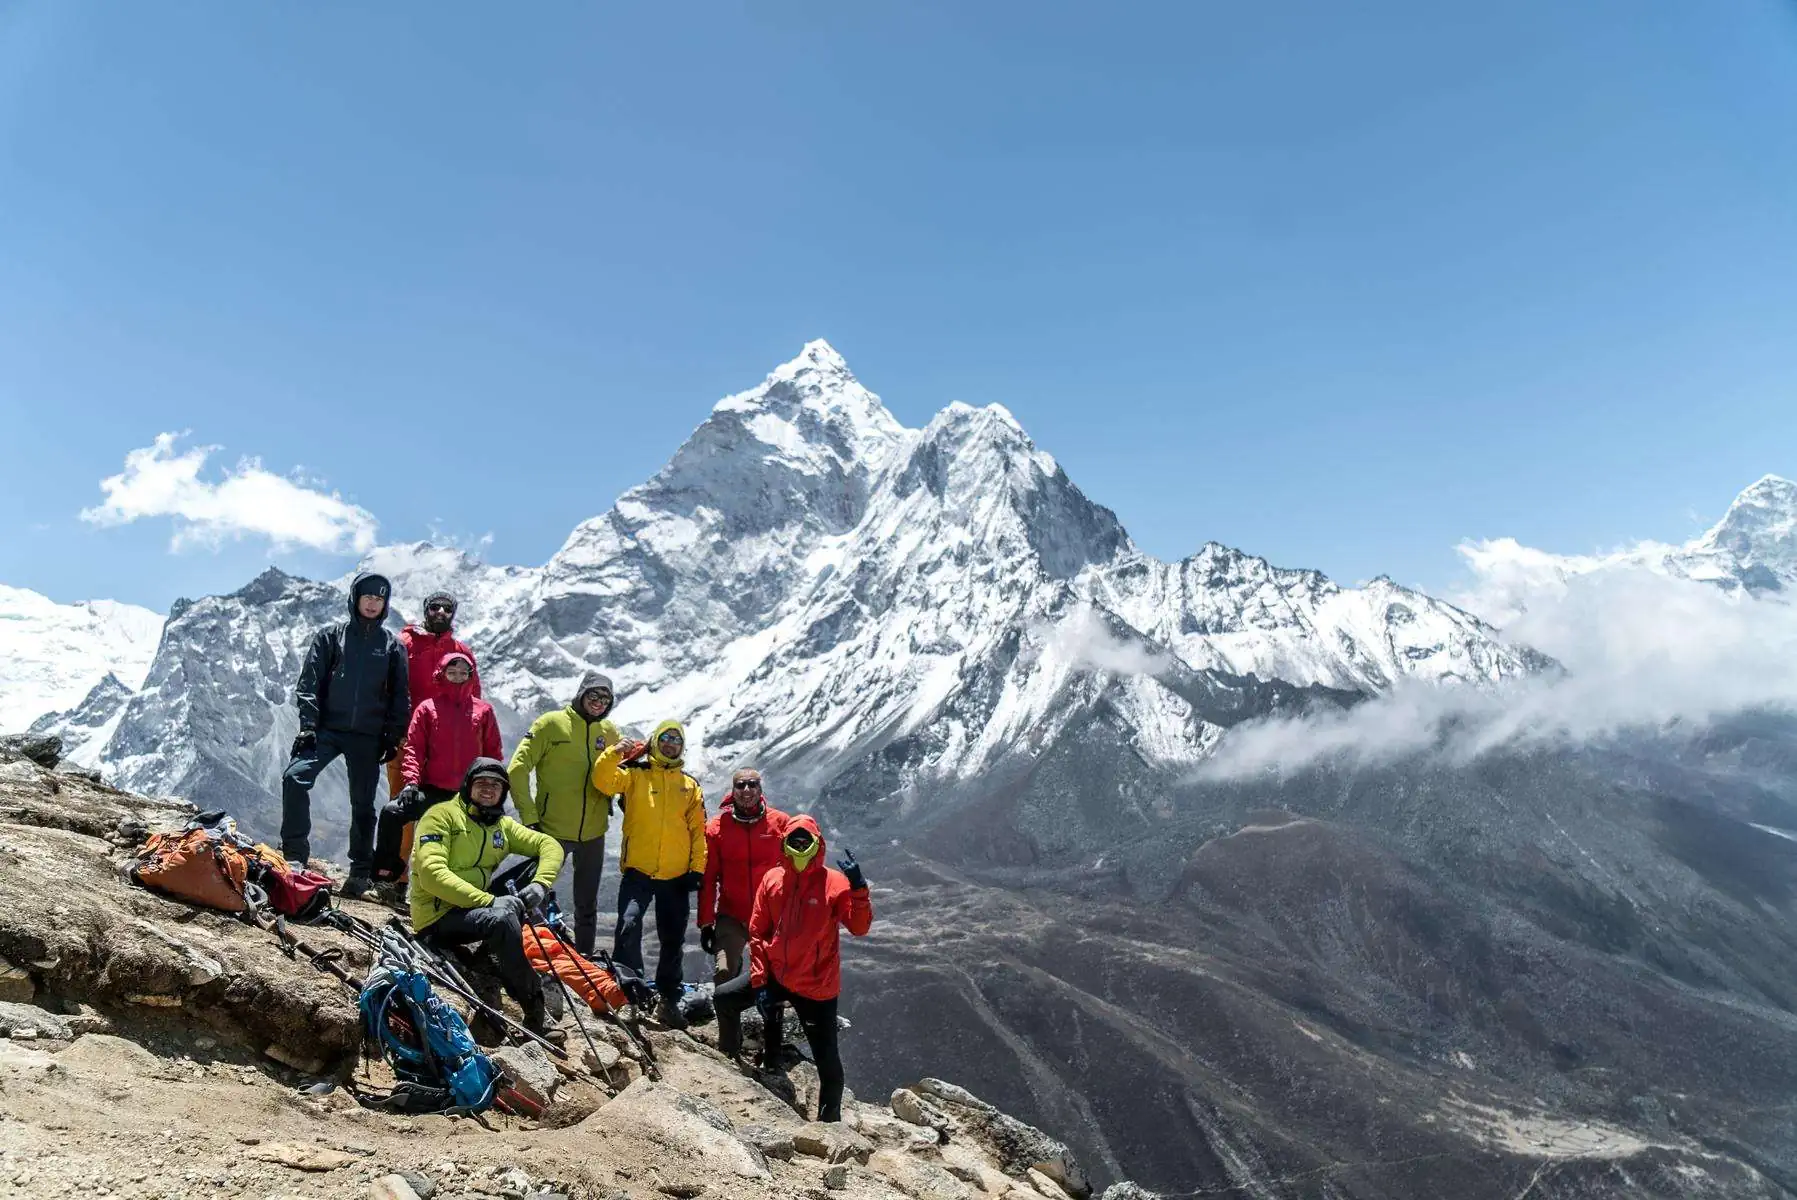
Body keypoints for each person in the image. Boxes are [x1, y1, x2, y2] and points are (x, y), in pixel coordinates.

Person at [717, 816, 872, 1123]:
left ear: (817, 845)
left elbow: (859, 927)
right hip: (776, 974)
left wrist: (859, 888)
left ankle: (830, 1128)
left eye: (806, 842)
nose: (800, 848)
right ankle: (729, 1061)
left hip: (816, 987)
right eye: (794, 842)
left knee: (828, 1062)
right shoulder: (773, 880)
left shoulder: (835, 885)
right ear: (785, 844)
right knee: (724, 998)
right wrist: (760, 983)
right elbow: (758, 932)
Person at [409, 757, 566, 1044]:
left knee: (531, 871)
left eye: (496, 785)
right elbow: (431, 874)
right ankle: (534, 1011)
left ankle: (492, 958)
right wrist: (489, 901)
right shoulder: (440, 816)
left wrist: (540, 885)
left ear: (503, 792)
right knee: (502, 918)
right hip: (438, 916)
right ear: (468, 785)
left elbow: (550, 845)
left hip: (474, 908)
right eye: (481, 782)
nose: (488, 789)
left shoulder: (501, 825)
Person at [283, 572, 409, 896]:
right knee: (294, 778)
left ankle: (360, 872)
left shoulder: (392, 647)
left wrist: (392, 737)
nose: (372, 603)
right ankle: (295, 856)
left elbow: (400, 697)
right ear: (355, 598)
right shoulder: (330, 637)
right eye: (367, 597)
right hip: (325, 730)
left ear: (385, 604)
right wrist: (308, 726)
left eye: (379, 599)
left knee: (364, 805)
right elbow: (308, 683)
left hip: (367, 737)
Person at [590, 720, 706, 1028]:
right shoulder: (634, 774)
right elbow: (603, 781)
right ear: (655, 742)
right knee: (628, 925)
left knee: (673, 939)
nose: (670, 744)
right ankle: (629, 990)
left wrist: (697, 869)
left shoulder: (689, 785)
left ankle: (668, 998)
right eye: (665, 738)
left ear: (681, 747)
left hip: (676, 876)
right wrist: (615, 753)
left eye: (676, 741)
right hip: (638, 871)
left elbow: (698, 831)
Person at [507, 671, 622, 955]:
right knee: (537, 895)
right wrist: (529, 815)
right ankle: (538, 955)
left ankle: (584, 959)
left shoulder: (609, 733)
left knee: (587, 903)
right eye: (593, 695)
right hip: (551, 829)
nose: (598, 702)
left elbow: (620, 774)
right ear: (581, 694)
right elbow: (517, 768)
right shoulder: (550, 724)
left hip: (594, 831)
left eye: (605, 698)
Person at [371, 651, 500, 890]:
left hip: (467, 796)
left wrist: (493, 793)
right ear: (442, 674)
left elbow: (493, 754)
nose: (458, 677)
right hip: (431, 791)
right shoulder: (427, 709)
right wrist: (410, 782)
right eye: (452, 672)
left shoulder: (484, 711)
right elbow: (414, 749)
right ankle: (386, 877)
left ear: (471, 676)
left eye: (463, 672)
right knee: (392, 812)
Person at [698, 768, 789, 1057]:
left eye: (752, 784)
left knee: (773, 979)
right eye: (741, 785)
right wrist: (705, 923)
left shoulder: (780, 823)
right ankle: (729, 1049)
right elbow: (708, 878)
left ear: (761, 788)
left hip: (771, 918)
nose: (746, 790)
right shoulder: (716, 828)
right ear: (733, 789)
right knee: (724, 973)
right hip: (732, 915)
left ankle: (773, 1051)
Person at [388, 591, 481, 801]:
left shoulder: (462, 652)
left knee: (444, 809)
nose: (441, 612)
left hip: (447, 744)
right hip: (405, 740)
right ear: (425, 610)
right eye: (435, 607)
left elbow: (473, 700)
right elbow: (387, 688)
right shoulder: (403, 644)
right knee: (403, 805)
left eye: (447, 609)